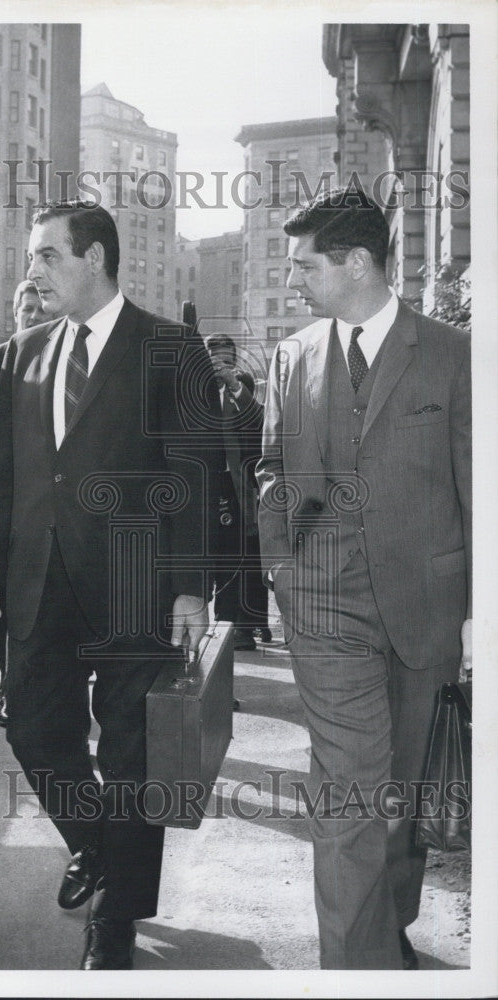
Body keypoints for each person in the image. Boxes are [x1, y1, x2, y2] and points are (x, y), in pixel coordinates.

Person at [0, 200, 217, 970]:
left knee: (133, 757)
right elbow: (1, 475)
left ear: (96, 257)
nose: (32, 269)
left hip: (137, 590)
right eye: (33, 256)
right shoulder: (21, 353)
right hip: (38, 583)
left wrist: (190, 589)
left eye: (47, 255)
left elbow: (194, 476)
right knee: (33, 730)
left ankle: (114, 925)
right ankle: (99, 846)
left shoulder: (170, 348)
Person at [256, 187, 471, 969]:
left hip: (428, 602)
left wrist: (479, 617)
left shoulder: (454, 354)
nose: (294, 282)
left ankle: (391, 926)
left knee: (405, 791)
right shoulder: (292, 356)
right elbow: (272, 467)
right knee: (349, 792)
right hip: (323, 603)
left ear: (355, 262)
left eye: (305, 265)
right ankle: (358, 972)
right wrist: (281, 564)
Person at [0, 279, 53, 726]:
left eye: (37, 309)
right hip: (2, 514)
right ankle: (10, 686)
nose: (30, 317)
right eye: (23, 310)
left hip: (45, 513)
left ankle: (32, 694)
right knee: (1, 613)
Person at [205, 335, 269, 653]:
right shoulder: (190, 391)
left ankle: (232, 628)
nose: (221, 367)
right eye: (215, 360)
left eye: (227, 361)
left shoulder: (239, 394)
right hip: (200, 487)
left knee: (234, 559)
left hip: (233, 489)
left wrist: (233, 385)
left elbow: (261, 424)